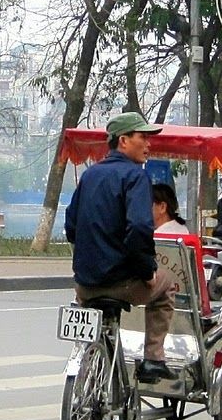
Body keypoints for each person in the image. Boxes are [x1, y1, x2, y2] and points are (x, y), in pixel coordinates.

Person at [64, 112, 178, 382]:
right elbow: (139, 229)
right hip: (122, 283)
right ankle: (153, 358)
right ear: (124, 141)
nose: (148, 144)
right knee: (168, 284)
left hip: (84, 284)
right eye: (143, 137)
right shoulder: (135, 176)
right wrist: (147, 270)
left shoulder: (90, 175)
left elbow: (71, 226)